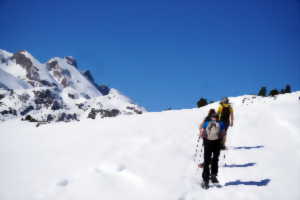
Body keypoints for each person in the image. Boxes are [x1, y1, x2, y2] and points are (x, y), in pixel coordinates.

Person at [200, 111, 226, 189]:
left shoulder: (206, 123)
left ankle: (205, 180)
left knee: (207, 160)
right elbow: (223, 133)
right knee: (215, 159)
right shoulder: (221, 123)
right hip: (217, 143)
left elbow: (202, 132)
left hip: (207, 143)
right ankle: (213, 176)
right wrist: (222, 143)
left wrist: (204, 139)